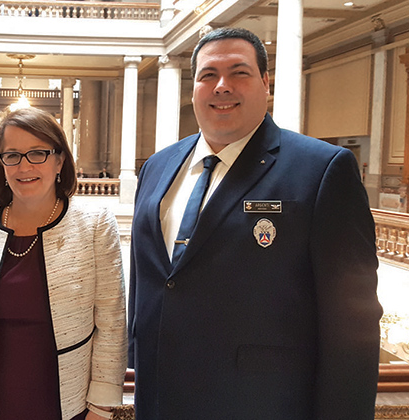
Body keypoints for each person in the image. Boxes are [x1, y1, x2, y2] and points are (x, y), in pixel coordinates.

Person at [129, 27, 383, 420]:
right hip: (161, 399)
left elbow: (353, 325)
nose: (222, 86)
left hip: (260, 403)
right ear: (193, 86)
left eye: (239, 72)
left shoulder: (321, 170)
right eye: (208, 75)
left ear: (265, 83)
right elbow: (150, 284)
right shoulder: (158, 166)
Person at [0, 107, 127, 420]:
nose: (24, 166)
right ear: (0, 164)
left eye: (37, 153)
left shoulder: (95, 224)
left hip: (67, 401)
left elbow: (111, 323)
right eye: (11, 155)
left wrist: (102, 407)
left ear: (60, 160)